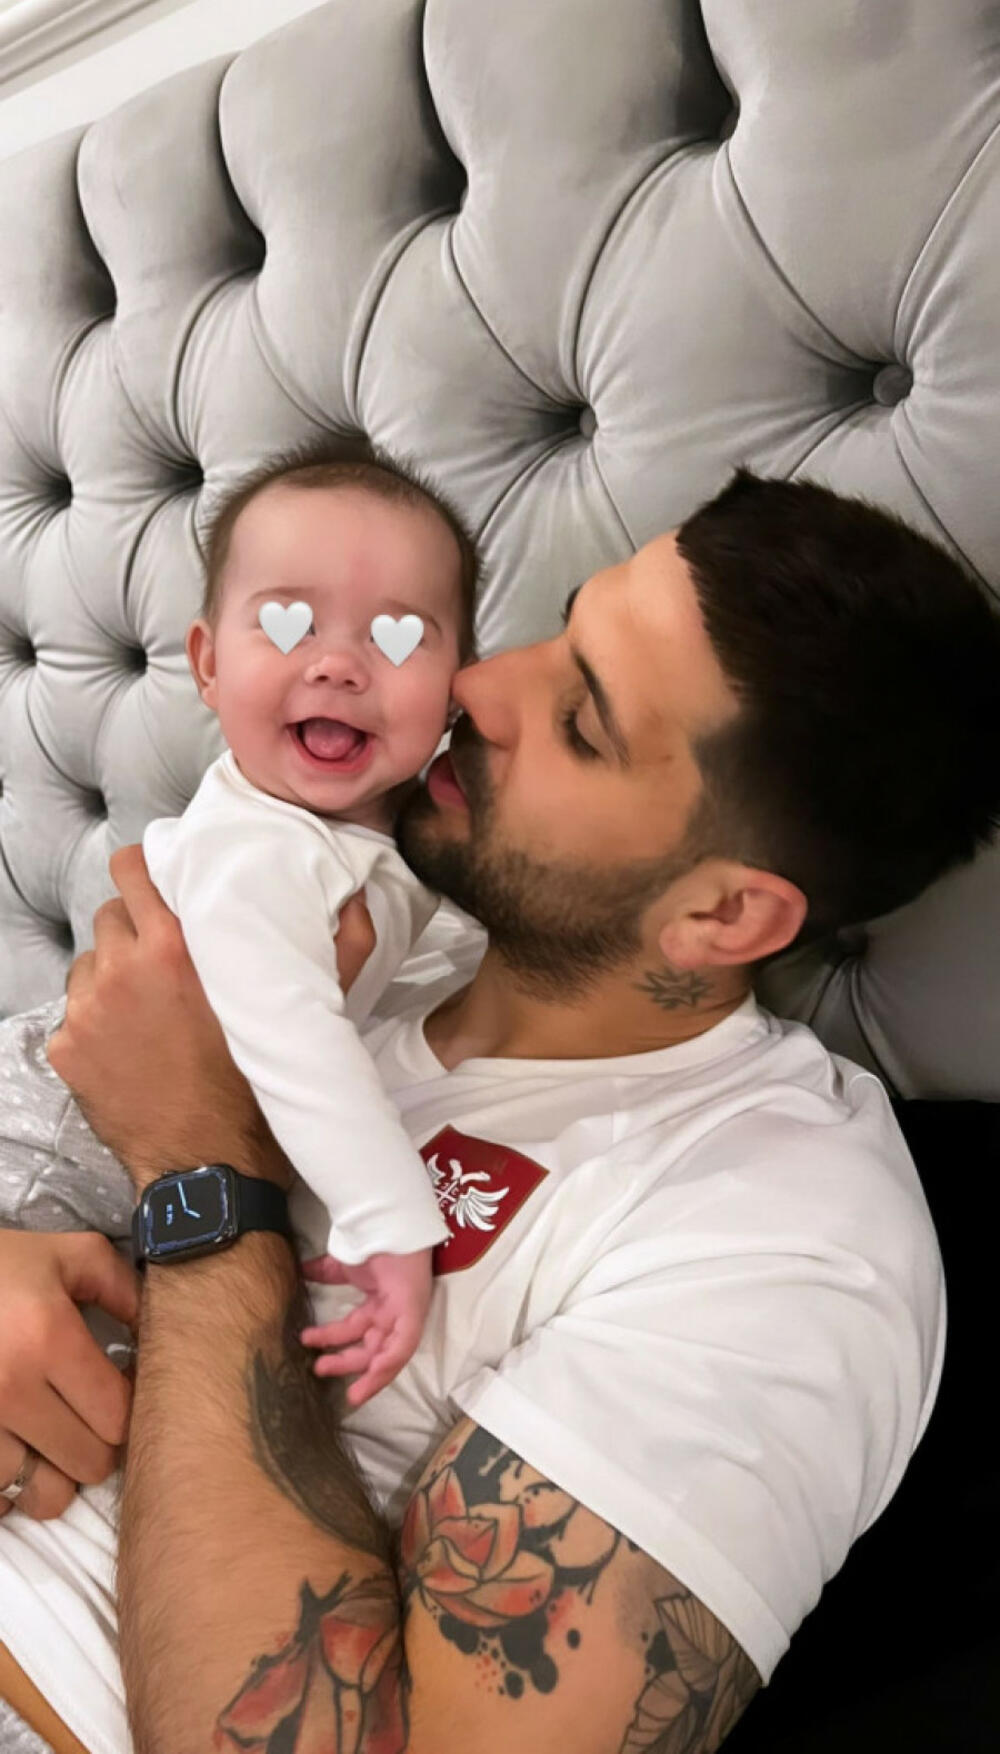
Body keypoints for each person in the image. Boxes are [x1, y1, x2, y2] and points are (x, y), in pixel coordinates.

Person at [2, 470, 1000, 1754]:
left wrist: (199, 1169)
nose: (476, 684)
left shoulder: (782, 1237)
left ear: (722, 913)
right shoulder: (380, 932)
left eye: (579, 718)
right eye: (559, 624)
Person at [0, 436, 485, 1409]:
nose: (338, 664)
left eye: (398, 636)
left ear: (456, 686)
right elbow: (288, 1028)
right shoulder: (260, 848)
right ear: (209, 664)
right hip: (51, 1133)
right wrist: (392, 1222)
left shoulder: (384, 835)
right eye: (287, 624)